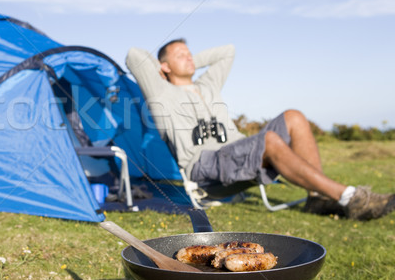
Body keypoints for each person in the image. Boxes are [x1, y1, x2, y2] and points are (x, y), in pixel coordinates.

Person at [126, 39, 395, 220]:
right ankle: (352, 198)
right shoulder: (161, 93)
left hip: (239, 150)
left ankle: (317, 198)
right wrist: (162, 71)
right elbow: (133, 56)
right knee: (269, 139)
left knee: (294, 117)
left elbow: (227, 51)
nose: (188, 58)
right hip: (205, 166)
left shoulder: (208, 85)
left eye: (189, 53)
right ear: (164, 66)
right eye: (180, 56)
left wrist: (188, 59)